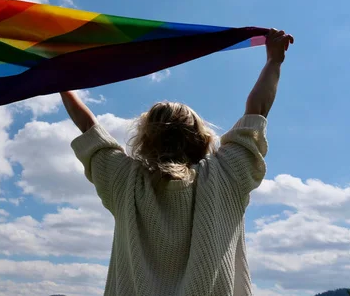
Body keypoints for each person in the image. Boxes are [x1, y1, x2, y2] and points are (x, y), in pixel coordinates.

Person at [60, 28, 294, 296]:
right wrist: (274, 61)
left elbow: (88, 126)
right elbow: (257, 111)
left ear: (145, 139)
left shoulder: (123, 180)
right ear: (201, 137)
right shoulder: (227, 174)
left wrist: (58, 79)